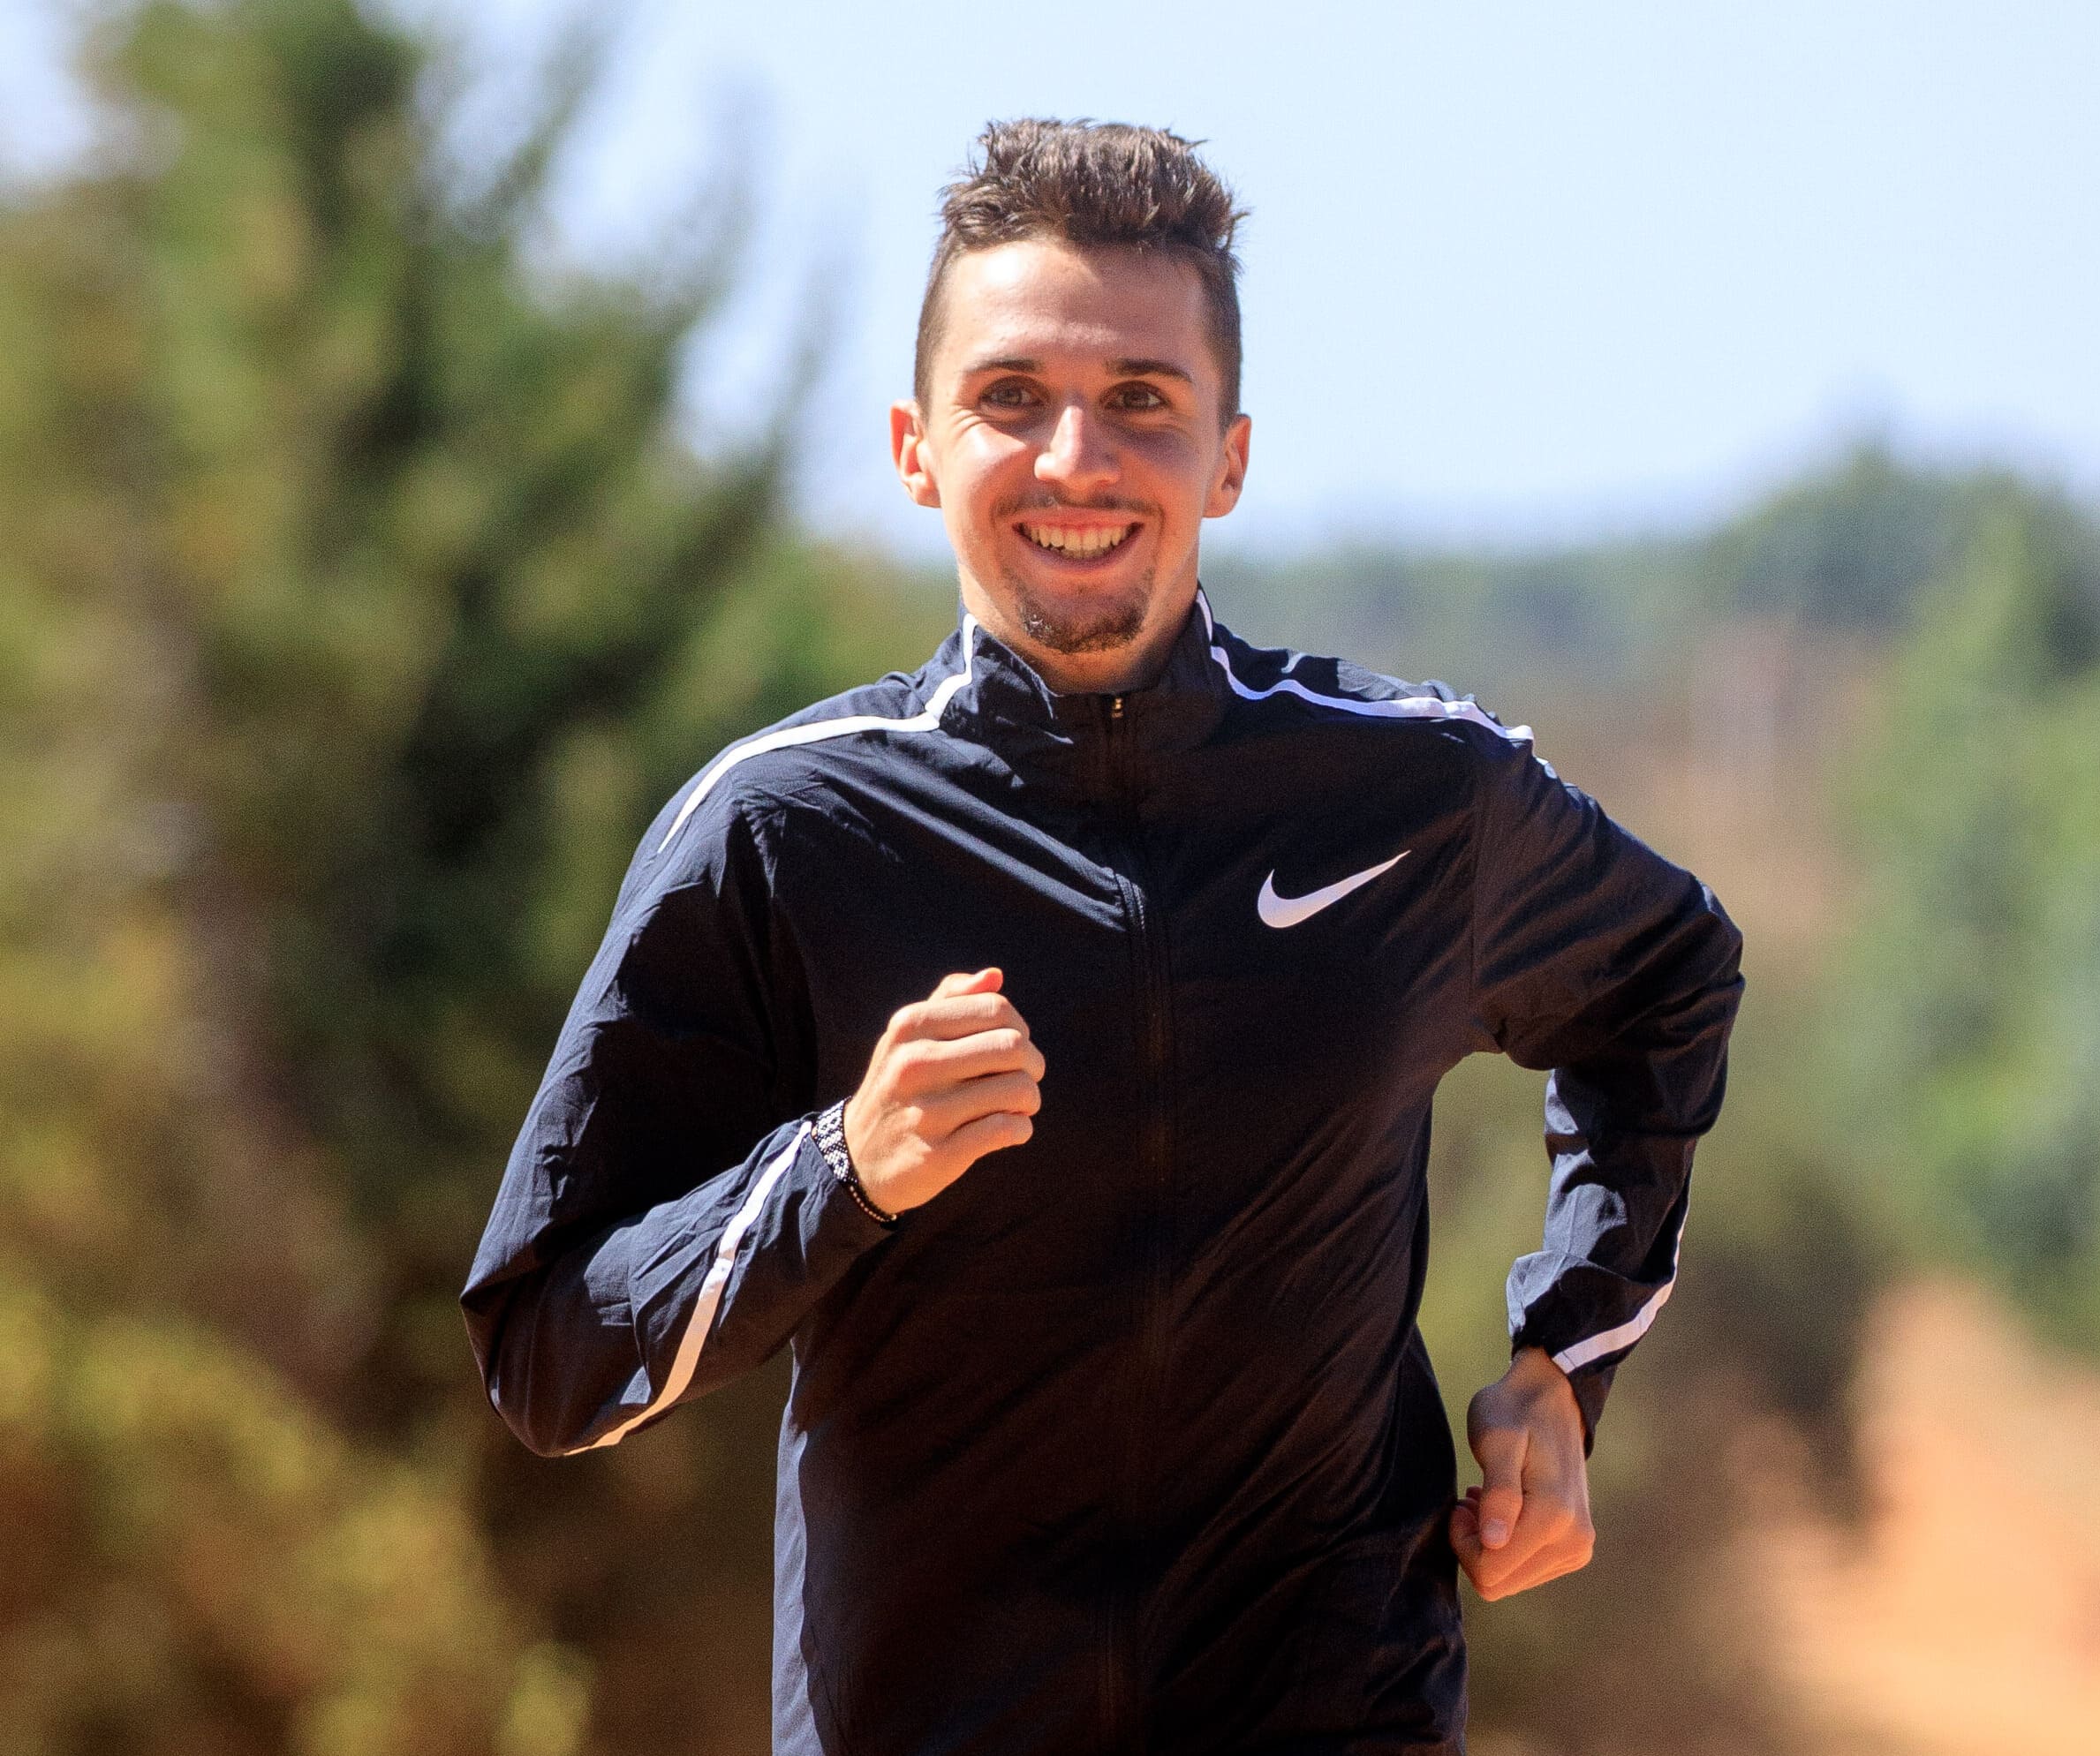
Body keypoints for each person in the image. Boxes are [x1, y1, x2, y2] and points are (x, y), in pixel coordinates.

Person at [462, 118, 1742, 1756]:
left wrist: (1566, 1355)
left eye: (1141, 398)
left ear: (1229, 456)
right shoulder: (783, 829)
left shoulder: (1419, 795)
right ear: (916, 447)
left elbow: (1664, 978)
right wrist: (839, 1170)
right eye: (1011, 396)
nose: (1076, 458)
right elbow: (548, 1352)